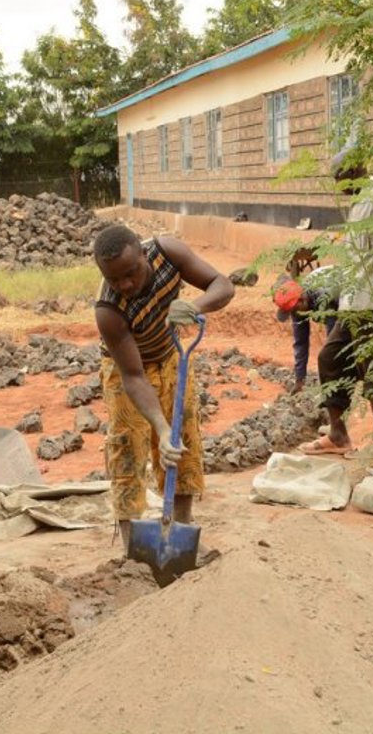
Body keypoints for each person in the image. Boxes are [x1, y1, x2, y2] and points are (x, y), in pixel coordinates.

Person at [93, 224, 234, 552]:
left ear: (145, 255)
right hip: (126, 370)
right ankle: (133, 548)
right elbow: (133, 377)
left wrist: (195, 307)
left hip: (171, 357)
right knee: (127, 447)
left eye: (131, 273)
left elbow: (223, 286)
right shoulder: (108, 310)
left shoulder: (168, 252)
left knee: (182, 441)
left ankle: (180, 533)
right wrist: (158, 422)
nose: (125, 284)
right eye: (115, 279)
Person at [300, 147, 373, 457]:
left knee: (372, 366)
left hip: (371, 299)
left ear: (354, 171)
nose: (338, 185)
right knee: (330, 358)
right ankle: (338, 435)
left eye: (339, 178)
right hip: (353, 301)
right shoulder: (359, 203)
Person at [273, 265, 337, 394]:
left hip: (351, 297)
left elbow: (333, 340)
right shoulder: (298, 307)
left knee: (330, 353)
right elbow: (300, 342)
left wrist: (330, 384)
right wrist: (299, 380)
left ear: (302, 300)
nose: (294, 314)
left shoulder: (324, 297)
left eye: (293, 310)